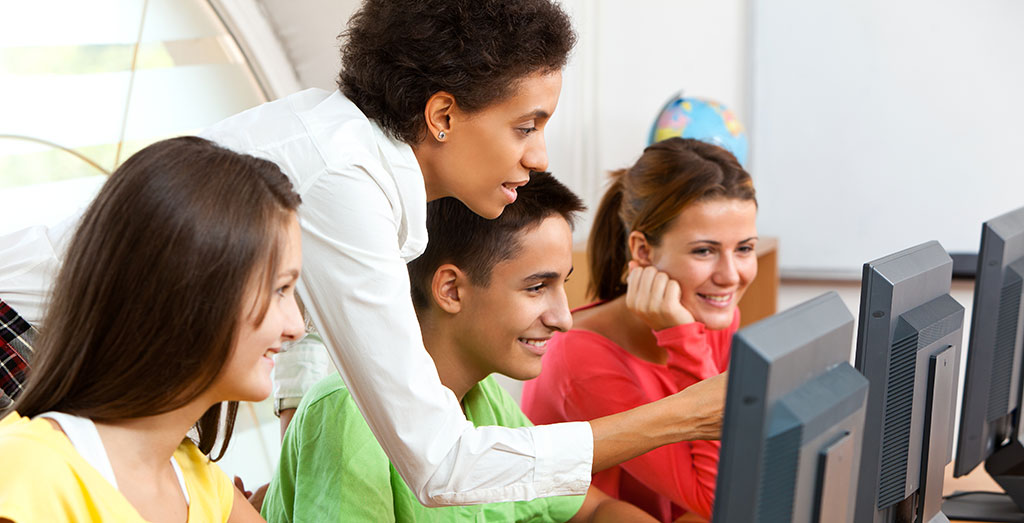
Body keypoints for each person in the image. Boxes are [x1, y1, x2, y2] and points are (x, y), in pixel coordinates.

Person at [0, 0, 725, 507]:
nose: (538, 156)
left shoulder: (346, 155)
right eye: (525, 125)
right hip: (23, 338)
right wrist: (685, 416)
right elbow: (438, 461)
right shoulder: (344, 181)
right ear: (442, 114)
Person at [261, 172, 657, 522]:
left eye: (562, 285)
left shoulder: (488, 403)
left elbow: (593, 509)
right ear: (450, 289)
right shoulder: (348, 412)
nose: (564, 317)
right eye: (537, 287)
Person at [0, 137, 305, 522]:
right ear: (189, 293)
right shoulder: (30, 479)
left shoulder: (202, 483)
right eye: (280, 289)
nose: (295, 326)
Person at [522, 138, 758, 522]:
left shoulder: (715, 317)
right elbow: (718, 500)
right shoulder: (579, 357)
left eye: (744, 248)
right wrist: (683, 342)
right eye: (704, 251)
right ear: (643, 251)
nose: (730, 276)